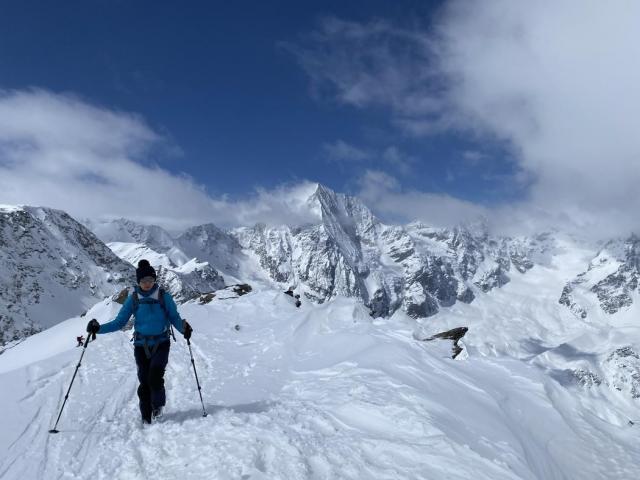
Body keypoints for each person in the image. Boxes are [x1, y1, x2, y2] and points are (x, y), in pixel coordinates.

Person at [86, 259, 193, 424]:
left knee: (155, 378)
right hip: (141, 345)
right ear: (138, 281)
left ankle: (157, 407)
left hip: (162, 343)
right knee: (144, 382)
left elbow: (174, 318)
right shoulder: (133, 298)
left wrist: (184, 328)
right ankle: (145, 415)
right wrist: (97, 328)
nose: (147, 284)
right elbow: (119, 322)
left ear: (154, 280)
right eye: (143, 281)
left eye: (150, 280)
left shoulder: (164, 297)